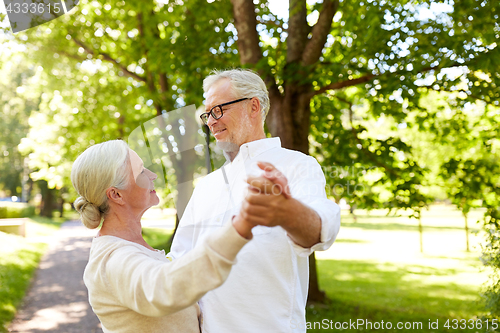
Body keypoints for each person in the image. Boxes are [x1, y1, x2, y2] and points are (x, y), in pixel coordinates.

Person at [169, 69, 341, 332]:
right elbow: (179, 263)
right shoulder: (206, 185)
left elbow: (321, 231)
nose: (211, 121)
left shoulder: (297, 165)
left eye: (218, 110)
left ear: (253, 106)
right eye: (207, 114)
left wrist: (287, 212)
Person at [71, 139, 269, 333]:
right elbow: (164, 288)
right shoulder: (114, 261)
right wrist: (239, 227)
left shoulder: (128, 245)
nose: (153, 175)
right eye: (141, 171)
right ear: (116, 195)